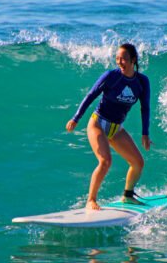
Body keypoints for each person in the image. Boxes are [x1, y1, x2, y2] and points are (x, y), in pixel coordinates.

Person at [65, 43, 152, 210]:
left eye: (124, 59)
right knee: (105, 161)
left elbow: (145, 107)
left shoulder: (142, 82)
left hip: (116, 128)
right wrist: (76, 118)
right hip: (98, 123)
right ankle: (91, 200)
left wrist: (145, 134)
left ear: (133, 60)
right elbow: (91, 96)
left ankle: (127, 195)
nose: (120, 62)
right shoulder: (111, 76)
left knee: (138, 162)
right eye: (117, 58)